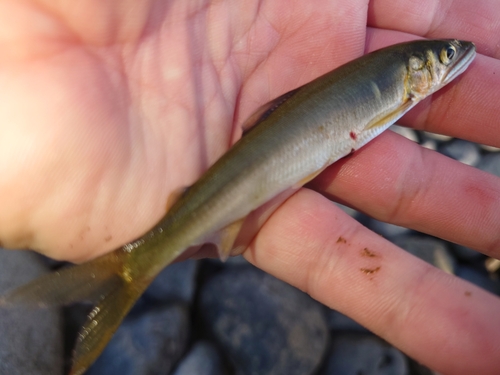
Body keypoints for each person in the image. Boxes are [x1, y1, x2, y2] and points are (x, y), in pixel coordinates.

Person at [1, 1, 499, 373]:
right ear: (416, 71)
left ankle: (129, 268)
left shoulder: (397, 75)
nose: (456, 57)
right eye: (447, 54)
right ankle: (132, 265)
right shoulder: (398, 84)